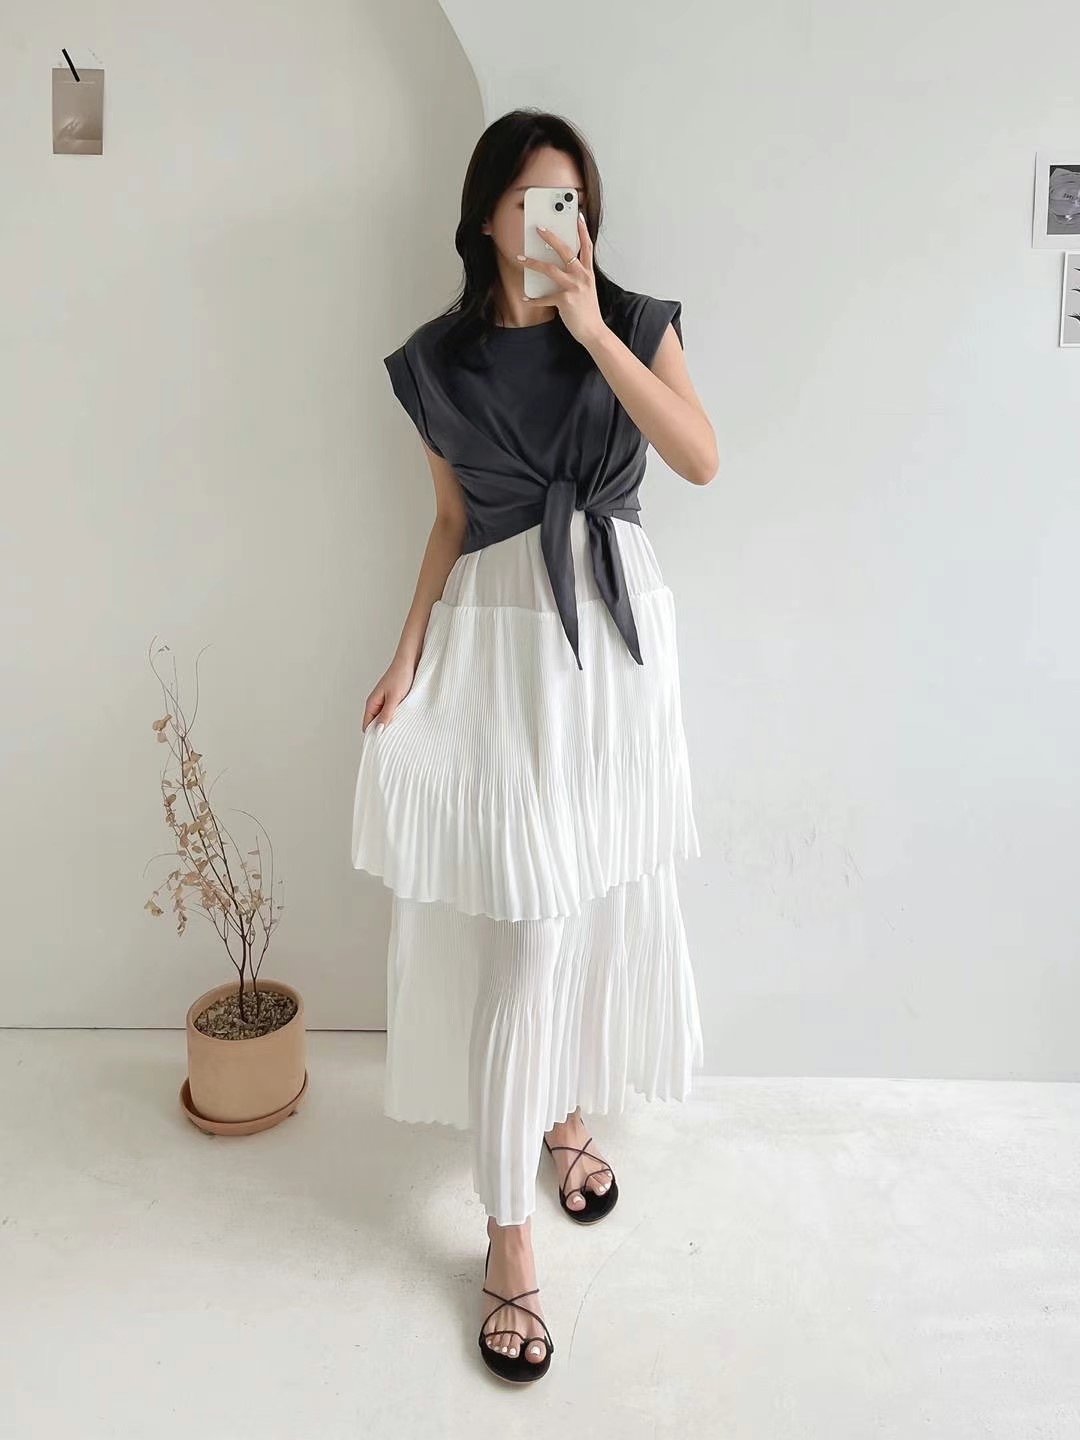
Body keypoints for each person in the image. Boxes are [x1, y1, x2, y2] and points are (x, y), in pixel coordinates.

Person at [351, 108, 718, 1384]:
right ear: (485, 216)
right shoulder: (438, 364)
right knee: (530, 929)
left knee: (595, 900)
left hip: (615, 654)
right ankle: (508, 1235)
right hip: (500, 659)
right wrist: (406, 652)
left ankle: (563, 1113)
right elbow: (452, 522)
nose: (553, 224)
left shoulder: (638, 319)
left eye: (570, 204)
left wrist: (594, 331)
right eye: (530, 202)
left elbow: (698, 457)